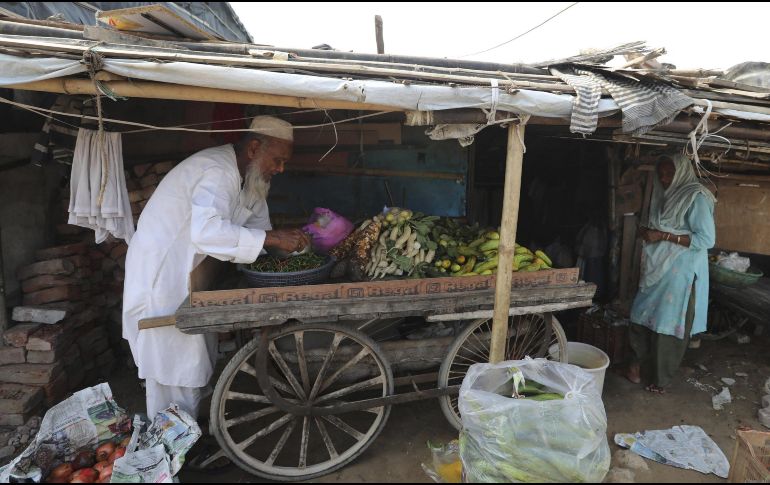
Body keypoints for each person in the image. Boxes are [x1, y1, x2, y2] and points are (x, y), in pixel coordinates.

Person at [122, 116, 311, 419]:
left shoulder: (251, 179)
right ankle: (170, 437)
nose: (281, 169)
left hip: (194, 276)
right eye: (277, 160)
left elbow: (260, 228)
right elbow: (207, 233)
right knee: (174, 365)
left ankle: (190, 428)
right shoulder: (216, 171)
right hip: (164, 277)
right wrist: (274, 238)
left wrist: (289, 247)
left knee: (197, 357)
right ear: (253, 149)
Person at [625, 154, 716, 393]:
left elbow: (706, 239)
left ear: (682, 173)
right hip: (658, 266)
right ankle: (636, 364)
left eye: (669, 174)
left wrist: (664, 236)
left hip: (680, 271)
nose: (664, 179)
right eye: (661, 174)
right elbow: (660, 227)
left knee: (668, 323)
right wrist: (648, 232)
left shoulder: (696, 197)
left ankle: (660, 379)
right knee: (640, 313)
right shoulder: (665, 195)